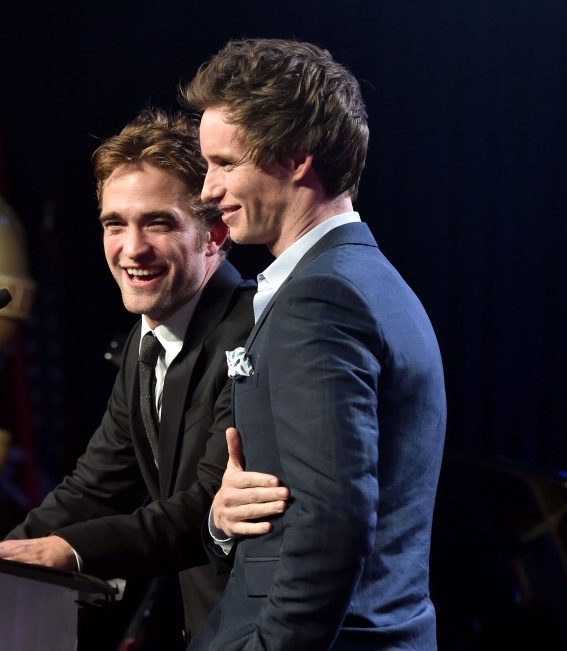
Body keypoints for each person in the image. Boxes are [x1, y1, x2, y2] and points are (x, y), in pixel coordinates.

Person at [0, 108, 288, 647]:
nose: (132, 248)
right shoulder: (147, 342)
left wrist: (68, 551)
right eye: (115, 224)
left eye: (158, 223)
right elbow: (91, 490)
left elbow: (206, 504)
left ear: (214, 233)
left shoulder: (254, 333)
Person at [182, 38, 447, 650]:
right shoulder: (369, 282)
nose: (208, 189)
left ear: (296, 159)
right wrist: (224, 520)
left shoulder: (323, 298)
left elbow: (333, 524)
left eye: (225, 163)